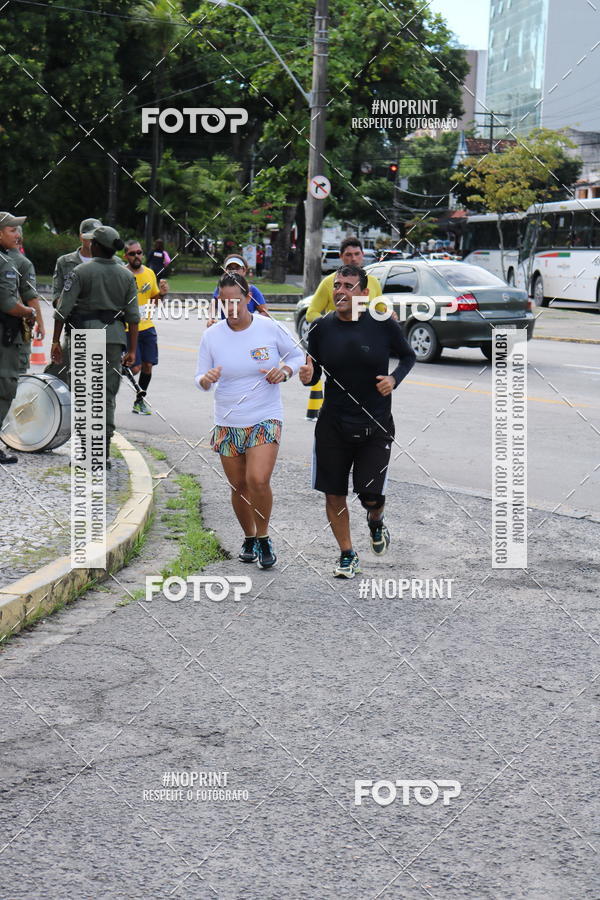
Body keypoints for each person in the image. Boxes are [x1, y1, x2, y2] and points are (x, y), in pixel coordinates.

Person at [300, 264, 416, 579]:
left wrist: (394, 379)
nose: (340, 290)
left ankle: (375, 520)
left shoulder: (382, 325)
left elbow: (408, 357)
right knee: (333, 492)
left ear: (364, 293)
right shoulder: (322, 328)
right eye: (337, 285)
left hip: (375, 425)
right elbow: (315, 372)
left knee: (370, 495)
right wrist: (309, 377)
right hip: (333, 424)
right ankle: (347, 554)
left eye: (349, 286)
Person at [196, 273, 304, 569]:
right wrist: (206, 380)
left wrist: (284, 371)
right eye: (224, 301)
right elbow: (200, 378)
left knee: (258, 480)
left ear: (248, 299)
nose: (231, 307)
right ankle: (249, 536)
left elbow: (297, 356)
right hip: (228, 419)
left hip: (264, 415)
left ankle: (265, 536)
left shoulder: (268, 328)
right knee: (239, 486)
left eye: (236, 301)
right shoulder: (212, 335)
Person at [51, 226, 139, 468]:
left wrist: (55, 341)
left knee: (83, 395)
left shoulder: (80, 271)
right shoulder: (126, 275)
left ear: (97, 246)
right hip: (114, 339)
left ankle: (84, 452)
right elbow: (133, 318)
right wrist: (131, 351)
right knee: (105, 397)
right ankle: (102, 454)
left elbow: (62, 310)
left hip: (84, 336)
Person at [45, 216, 102, 384]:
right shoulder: (65, 262)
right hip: (75, 326)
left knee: (95, 380)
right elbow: (57, 298)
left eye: (96, 238)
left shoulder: (112, 263)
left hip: (102, 328)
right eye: (88, 237)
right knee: (60, 373)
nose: (91, 241)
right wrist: (72, 303)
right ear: (81, 237)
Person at [0, 211, 38, 464]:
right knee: (5, 386)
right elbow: (7, 303)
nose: (18, 234)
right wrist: (28, 311)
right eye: (12, 229)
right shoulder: (7, 262)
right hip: (5, 337)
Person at [123, 239, 169, 415]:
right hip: (127, 328)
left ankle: (139, 402)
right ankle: (116, 369)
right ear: (126, 256)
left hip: (147, 326)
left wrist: (162, 295)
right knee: (134, 368)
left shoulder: (150, 273)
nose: (136, 256)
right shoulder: (122, 274)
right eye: (132, 253)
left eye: (139, 252)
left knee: (148, 365)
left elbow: (153, 302)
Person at [305, 237, 383, 324]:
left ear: (362, 254)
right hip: (339, 335)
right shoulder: (328, 282)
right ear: (341, 256)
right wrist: (329, 324)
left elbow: (381, 310)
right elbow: (311, 313)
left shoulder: (374, 281)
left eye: (357, 254)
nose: (353, 258)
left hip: (366, 335)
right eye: (348, 255)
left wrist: (389, 314)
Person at [10, 226, 45, 374]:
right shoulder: (23, 262)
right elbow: (30, 297)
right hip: (16, 328)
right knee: (16, 377)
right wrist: (41, 324)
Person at [208, 254, 269, 325]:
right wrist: (211, 319)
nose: (233, 271)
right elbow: (214, 305)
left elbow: (264, 312)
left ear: (244, 270)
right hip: (227, 329)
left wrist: (251, 319)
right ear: (225, 271)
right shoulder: (220, 289)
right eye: (230, 268)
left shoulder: (252, 290)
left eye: (237, 268)